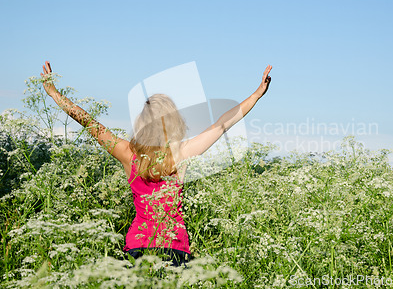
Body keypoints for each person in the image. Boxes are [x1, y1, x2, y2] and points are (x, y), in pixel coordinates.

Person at [40, 61, 272, 266]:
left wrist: (53, 93)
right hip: (174, 249)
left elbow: (89, 123)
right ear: (174, 122)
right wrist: (256, 95)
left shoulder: (127, 153)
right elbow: (221, 125)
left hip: (137, 247)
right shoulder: (180, 153)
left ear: (142, 122)